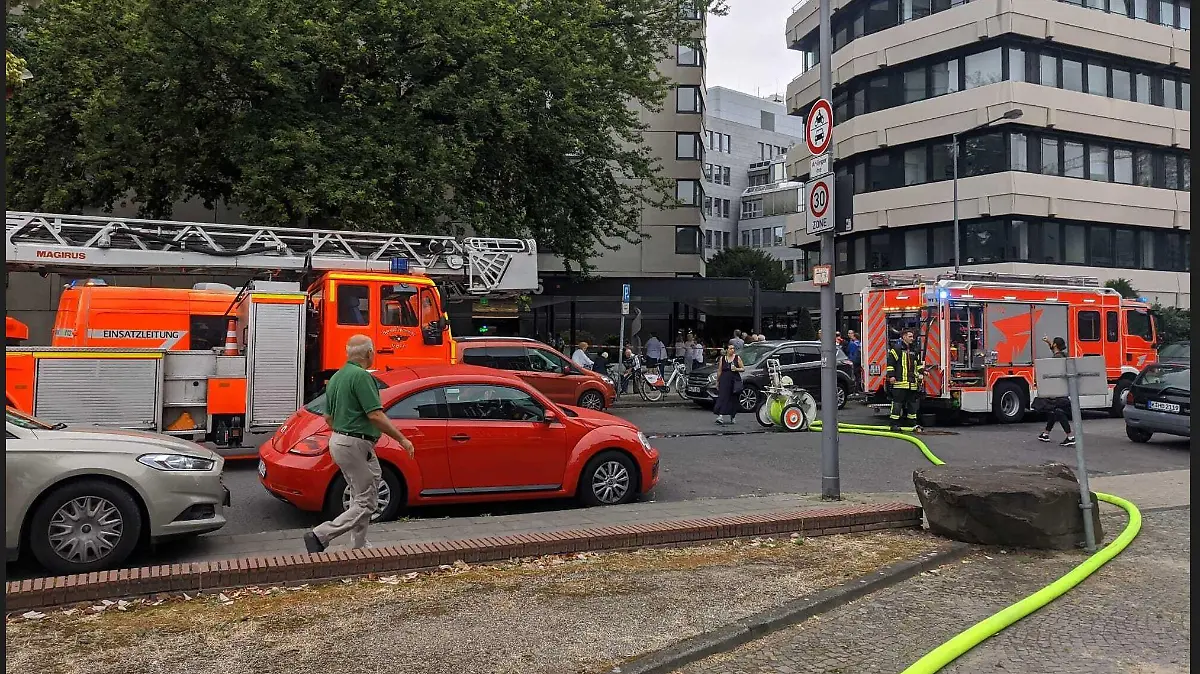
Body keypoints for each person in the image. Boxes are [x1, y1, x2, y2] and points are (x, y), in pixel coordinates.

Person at [305, 335, 415, 554]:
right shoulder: (362, 377)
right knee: (366, 502)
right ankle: (321, 535)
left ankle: (359, 545)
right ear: (369, 353)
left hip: (341, 441)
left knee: (362, 495)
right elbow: (375, 414)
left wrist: (343, 432)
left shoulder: (337, 377)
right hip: (356, 444)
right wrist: (402, 439)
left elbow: (328, 417)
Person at [1037, 336, 1076, 446]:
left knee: (1058, 411)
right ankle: (1046, 433)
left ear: (1055, 345)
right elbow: (1054, 349)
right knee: (1054, 411)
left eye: (1053, 343)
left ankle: (1070, 436)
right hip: (1063, 388)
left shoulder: (1057, 358)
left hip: (1058, 389)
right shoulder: (1064, 355)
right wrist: (1048, 342)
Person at [886, 328, 924, 433]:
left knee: (912, 405)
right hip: (900, 383)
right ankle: (894, 424)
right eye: (910, 336)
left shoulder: (914, 350)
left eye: (913, 336)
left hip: (912, 384)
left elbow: (918, 364)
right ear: (904, 337)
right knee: (897, 404)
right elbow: (890, 363)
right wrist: (891, 376)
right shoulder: (897, 348)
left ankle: (912, 424)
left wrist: (923, 372)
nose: (912, 338)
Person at [713, 343, 746, 424]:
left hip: (734, 380)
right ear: (727, 350)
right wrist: (717, 381)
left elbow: (743, 368)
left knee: (733, 398)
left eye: (733, 348)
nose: (732, 350)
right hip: (724, 379)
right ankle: (720, 416)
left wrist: (736, 369)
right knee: (723, 397)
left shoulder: (737, 358)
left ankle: (732, 416)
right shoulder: (723, 358)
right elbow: (720, 370)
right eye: (730, 348)